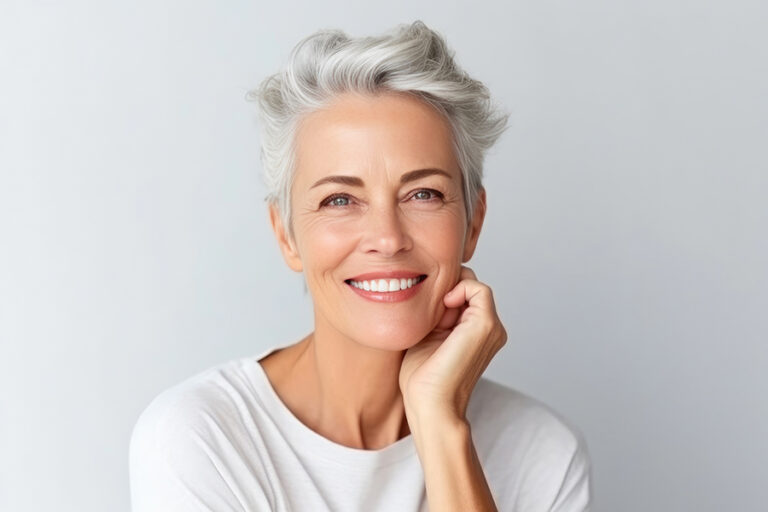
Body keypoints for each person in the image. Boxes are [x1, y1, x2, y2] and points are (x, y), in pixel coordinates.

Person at [129, 20, 592, 512]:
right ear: (286, 234)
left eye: (423, 193)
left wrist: (440, 426)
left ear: (473, 222)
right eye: (340, 200)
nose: (388, 238)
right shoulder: (200, 439)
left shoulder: (542, 453)